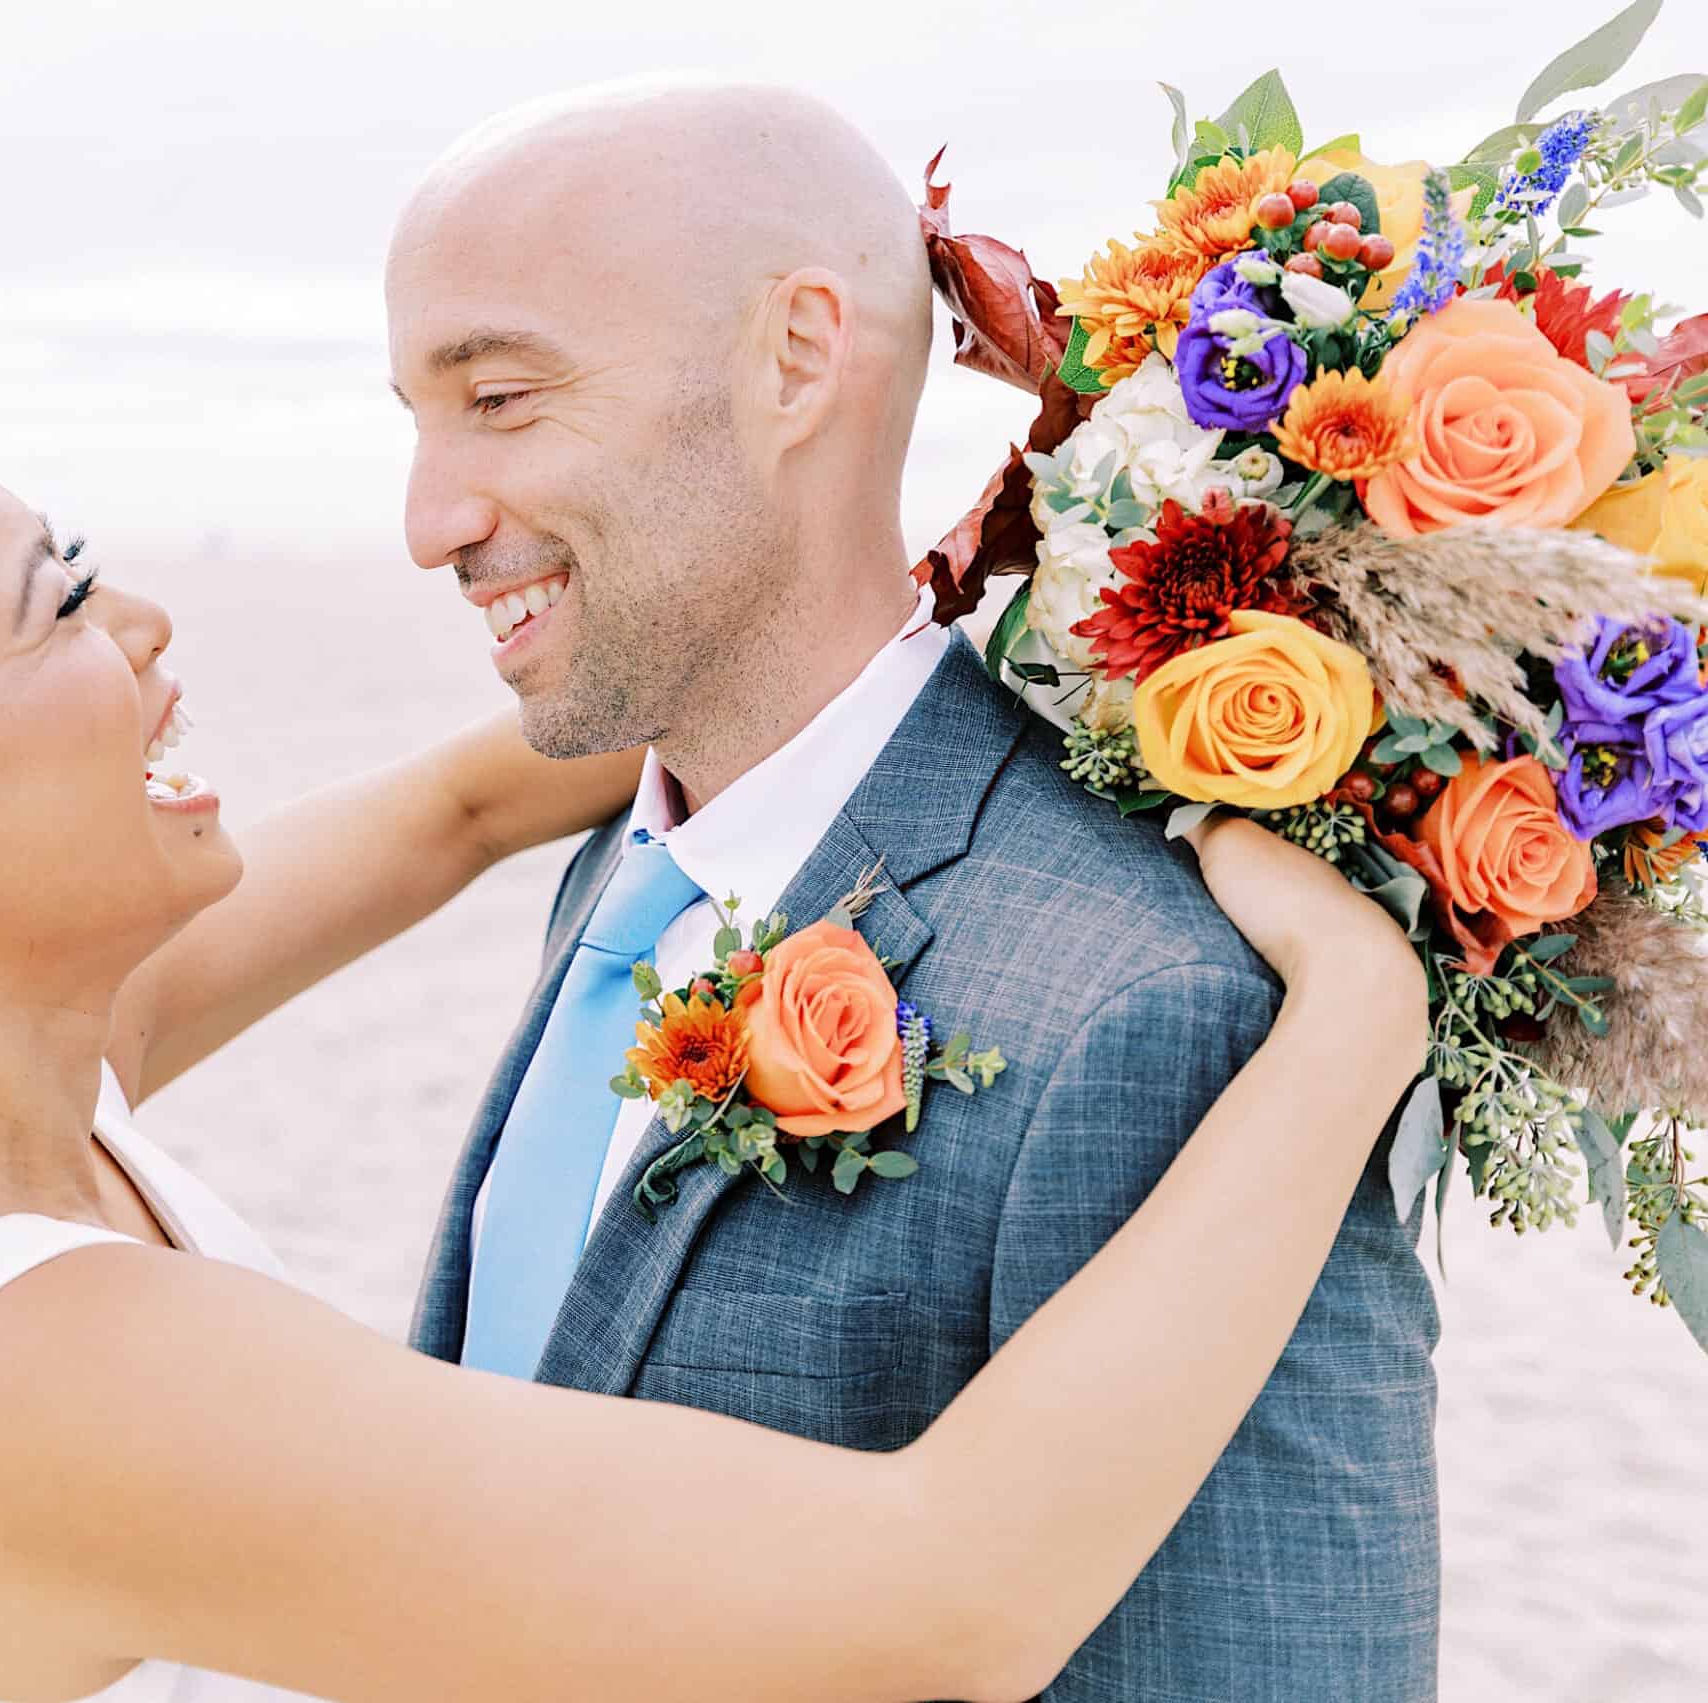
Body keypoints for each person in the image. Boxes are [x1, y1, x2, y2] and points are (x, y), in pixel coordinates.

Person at [0, 402, 1425, 1702]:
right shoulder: (59, 1373)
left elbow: (459, 813)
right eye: (51, 610)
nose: (137, 621)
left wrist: (897, 582)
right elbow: (959, 1585)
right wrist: (1348, 1023)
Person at [387, 79, 1439, 1699]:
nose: (427, 521)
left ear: (798, 356)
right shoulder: (621, 870)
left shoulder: (1163, 1012)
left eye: (504, 399)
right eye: (417, 417)